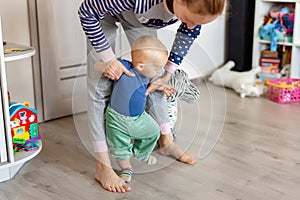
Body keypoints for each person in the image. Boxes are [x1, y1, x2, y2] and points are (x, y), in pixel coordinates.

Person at [78, 0, 227, 193]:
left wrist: (166, 75)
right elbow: (86, 12)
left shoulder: (192, 16)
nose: (190, 25)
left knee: (154, 77)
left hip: (139, 19)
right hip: (99, 15)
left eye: (197, 23)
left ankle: (166, 142)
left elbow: (188, 33)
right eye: (189, 19)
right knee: (99, 85)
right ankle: (103, 166)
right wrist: (109, 59)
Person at [100, 35, 171, 183]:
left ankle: (141, 153)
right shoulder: (124, 67)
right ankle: (126, 168)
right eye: (157, 68)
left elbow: (155, 83)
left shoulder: (147, 75)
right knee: (119, 145)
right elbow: (100, 65)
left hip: (139, 118)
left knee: (153, 131)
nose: (160, 71)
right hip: (116, 118)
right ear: (140, 66)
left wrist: (163, 87)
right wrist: (104, 67)